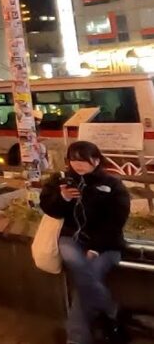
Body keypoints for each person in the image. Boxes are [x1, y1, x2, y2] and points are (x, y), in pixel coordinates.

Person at [40, 141, 130, 344]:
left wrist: (96, 248)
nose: (78, 165)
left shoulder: (112, 185)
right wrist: (62, 198)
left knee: (84, 282)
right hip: (71, 237)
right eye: (73, 160)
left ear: (96, 160)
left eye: (83, 160)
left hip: (107, 244)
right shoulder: (61, 180)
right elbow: (48, 207)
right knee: (77, 263)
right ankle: (111, 310)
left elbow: (117, 220)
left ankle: (76, 339)